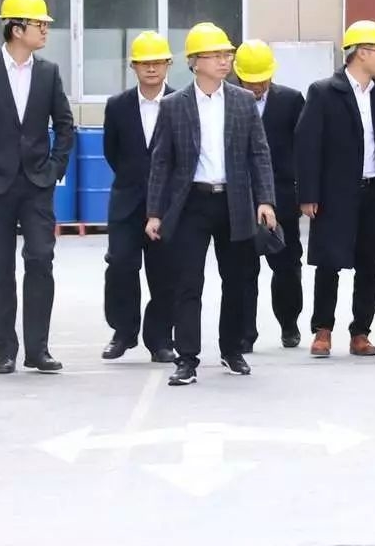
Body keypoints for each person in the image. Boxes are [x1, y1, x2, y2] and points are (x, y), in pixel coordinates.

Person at [144, 23, 279, 387]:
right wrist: (154, 212)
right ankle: (187, 358)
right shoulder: (174, 106)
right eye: (217, 55)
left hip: (235, 202)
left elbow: (259, 154)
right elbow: (161, 162)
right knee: (188, 282)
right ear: (195, 61)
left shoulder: (242, 101)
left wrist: (265, 201)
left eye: (227, 55)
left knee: (237, 280)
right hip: (191, 203)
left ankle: (232, 350)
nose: (225, 61)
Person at [0, 0, 77, 376]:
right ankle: (4, 351)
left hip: (37, 183)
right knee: (0, 268)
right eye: (39, 24)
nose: (45, 30)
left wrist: (55, 168)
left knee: (41, 260)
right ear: (16, 28)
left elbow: (65, 125)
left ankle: (37, 350)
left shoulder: (48, 72)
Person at [294, 20, 375, 358]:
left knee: (371, 265)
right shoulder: (324, 92)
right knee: (329, 263)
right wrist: (308, 194)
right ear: (362, 53)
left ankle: (361, 332)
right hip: (335, 193)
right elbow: (307, 144)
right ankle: (322, 330)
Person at [100, 31, 176, 364]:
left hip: (167, 205)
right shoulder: (118, 106)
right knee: (120, 264)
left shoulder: (180, 102)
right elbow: (112, 152)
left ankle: (160, 340)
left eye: (157, 62)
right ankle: (123, 332)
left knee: (164, 272)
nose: (151, 69)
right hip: (126, 202)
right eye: (144, 63)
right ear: (133, 66)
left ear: (168, 64)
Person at [233, 39, 306, 351]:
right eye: (250, 81)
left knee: (287, 265)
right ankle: (245, 333)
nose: (256, 86)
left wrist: (303, 192)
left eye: (262, 80)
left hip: (282, 198)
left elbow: (304, 149)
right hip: (239, 198)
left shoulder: (291, 101)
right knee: (243, 269)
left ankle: (289, 323)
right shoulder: (227, 102)